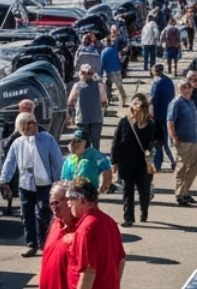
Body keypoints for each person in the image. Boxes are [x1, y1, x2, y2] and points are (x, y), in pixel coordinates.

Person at [0, 111, 61, 256]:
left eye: (29, 128)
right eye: (23, 130)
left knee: (43, 213)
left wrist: (58, 181)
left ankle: (44, 242)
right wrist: (4, 180)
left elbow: (57, 161)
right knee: (27, 214)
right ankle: (31, 243)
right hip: (26, 184)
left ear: (35, 124)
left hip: (45, 183)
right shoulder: (18, 143)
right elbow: (10, 162)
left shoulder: (47, 139)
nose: (26, 132)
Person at [111, 95, 157, 226]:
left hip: (143, 163)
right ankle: (128, 218)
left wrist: (152, 147)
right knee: (128, 190)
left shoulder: (150, 124)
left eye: (140, 104)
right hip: (126, 162)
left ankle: (144, 211)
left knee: (144, 190)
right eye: (135, 103)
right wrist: (114, 162)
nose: (137, 107)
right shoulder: (124, 122)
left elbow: (156, 141)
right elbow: (116, 142)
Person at [168, 79, 197, 206]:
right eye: (184, 87)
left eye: (189, 87)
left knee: (194, 168)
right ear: (179, 89)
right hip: (182, 141)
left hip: (194, 139)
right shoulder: (176, 103)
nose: (187, 90)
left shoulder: (191, 102)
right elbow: (170, 121)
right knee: (182, 168)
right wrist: (174, 137)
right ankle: (180, 194)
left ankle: (185, 192)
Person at [66, 64, 107, 150]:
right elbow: (104, 101)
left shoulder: (77, 86)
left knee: (84, 144)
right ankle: (95, 157)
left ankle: (86, 157)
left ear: (80, 74)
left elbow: (70, 101)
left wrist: (70, 115)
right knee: (96, 144)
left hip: (82, 119)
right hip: (96, 118)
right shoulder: (99, 85)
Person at [60, 129, 113, 195]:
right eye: (72, 141)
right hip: (71, 195)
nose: (73, 144)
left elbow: (107, 169)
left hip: (89, 194)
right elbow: (64, 179)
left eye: (77, 141)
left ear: (85, 143)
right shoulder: (69, 160)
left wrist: (102, 188)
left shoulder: (95, 156)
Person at [149, 66, 175, 171]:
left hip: (159, 115)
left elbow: (154, 99)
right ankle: (173, 161)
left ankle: (157, 164)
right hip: (168, 114)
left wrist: (150, 111)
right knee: (167, 141)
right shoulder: (169, 81)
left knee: (158, 141)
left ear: (155, 72)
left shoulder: (157, 83)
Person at [99, 36, 126, 107]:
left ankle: (106, 101)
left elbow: (102, 63)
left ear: (105, 43)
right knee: (119, 87)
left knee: (107, 87)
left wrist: (101, 73)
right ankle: (123, 100)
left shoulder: (103, 52)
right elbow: (119, 60)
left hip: (109, 72)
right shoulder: (114, 50)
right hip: (117, 70)